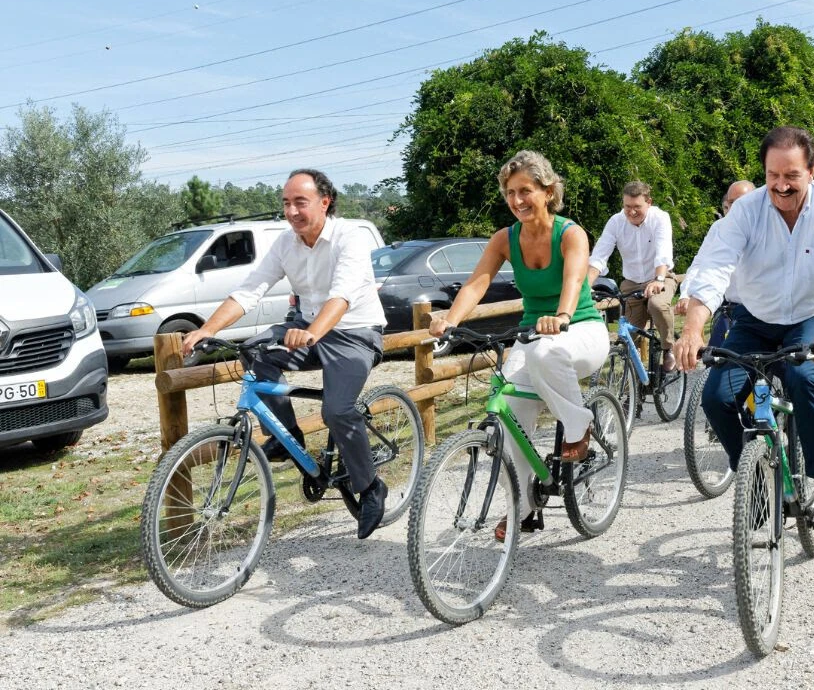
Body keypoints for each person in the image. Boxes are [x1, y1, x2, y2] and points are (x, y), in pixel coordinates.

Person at [181, 169, 390, 539]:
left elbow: (340, 297)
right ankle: (285, 436)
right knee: (255, 351)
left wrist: (311, 332)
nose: (291, 211)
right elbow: (250, 290)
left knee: (337, 410)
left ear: (325, 202)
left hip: (354, 332)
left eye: (300, 202)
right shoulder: (285, 243)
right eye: (286, 203)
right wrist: (208, 329)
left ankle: (370, 486)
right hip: (306, 329)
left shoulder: (350, 238)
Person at [673, 126, 814, 531]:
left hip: (809, 317)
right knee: (716, 398)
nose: (781, 185)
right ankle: (755, 477)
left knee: (804, 379)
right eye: (773, 175)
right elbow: (715, 268)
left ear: (811, 171)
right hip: (754, 320)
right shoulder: (746, 209)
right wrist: (692, 331)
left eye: (791, 175)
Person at [428, 150, 610, 540]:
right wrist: (450, 321)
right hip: (532, 334)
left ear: (547, 190)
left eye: (525, 190)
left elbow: (575, 280)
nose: (517, 201)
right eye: (510, 193)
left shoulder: (570, 232)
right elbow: (477, 283)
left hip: (580, 330)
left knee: (547, 352)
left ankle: (580, 426)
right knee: (508, 409)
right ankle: (524, 507)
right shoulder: (505, 239)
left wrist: (561, 316)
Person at [587, 181, 678, 370]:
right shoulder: (616, 222)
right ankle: (632, 384)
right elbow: (599, 256)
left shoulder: (660, 218)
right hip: (632, 282)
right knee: (627, 337)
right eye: (627, 206)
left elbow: (663, 252)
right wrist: (586, 285)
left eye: (637, 207)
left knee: (657, 305)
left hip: (660, 276)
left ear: (649, 202)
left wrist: (659, 280)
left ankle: (668, 348)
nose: (632, 212)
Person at [676, 179, 756, 345]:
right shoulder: (719, 228)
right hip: (732, 306)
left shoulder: (770, 226)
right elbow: (703, 264)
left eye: (742, 202)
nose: (736, 208)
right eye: (732, 203)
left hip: (764, 312)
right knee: (716, 359)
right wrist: (686, 294)